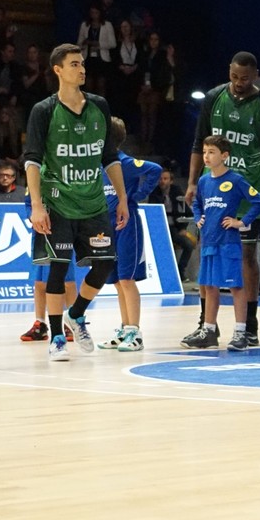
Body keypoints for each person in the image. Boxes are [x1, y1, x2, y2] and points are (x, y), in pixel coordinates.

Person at [24, 44, 128, 362]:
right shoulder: (43, 110)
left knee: (105, 263)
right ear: (58, 70)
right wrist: (37, 205)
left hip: (93, 201)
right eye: (74, 64)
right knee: (58, 269)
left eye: (82, 64)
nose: (81, 69)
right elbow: (32, 160)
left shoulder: (99, 105)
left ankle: (77, 313)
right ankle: (57, 337)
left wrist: (122, 197)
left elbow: (109, 156)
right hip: (58, 201)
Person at [183, 51, 260, 347]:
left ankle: (248, 325)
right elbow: (198, 143)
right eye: (235, 76)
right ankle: (207, 326)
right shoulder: (214, 98)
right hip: (213, 191)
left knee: (246, 256)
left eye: (245, 78)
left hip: (246, 190)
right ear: (229, 71)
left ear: (256, 76)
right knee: (208, 255)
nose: (239, 83)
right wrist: (192, 182)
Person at [181, 135, 260, 349]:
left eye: (212, 152)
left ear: (225, 156)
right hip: (208, 242)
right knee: (210, 286)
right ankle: (209, 331)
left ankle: (240, 332)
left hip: (228, 243)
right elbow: (197, 203)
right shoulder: (204, 181)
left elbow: (258, 202)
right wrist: (198, 217)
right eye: (204, 152)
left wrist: (241, 222)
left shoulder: (235, 180)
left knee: (236, 286)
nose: (206, 156)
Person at [97, 117, 163, 353]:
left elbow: (155, 170)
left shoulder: (124, 162)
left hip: (127, 225)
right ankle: (125, 329)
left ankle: (135, 332)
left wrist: (136, 195)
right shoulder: (99, 166)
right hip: (106, 227)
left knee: (127, 279)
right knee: (116, 281)